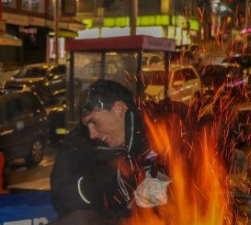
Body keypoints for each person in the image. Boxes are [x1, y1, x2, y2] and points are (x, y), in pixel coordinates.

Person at [50, 79, 168, 216]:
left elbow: (182, 186)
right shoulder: (79, 145)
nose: (92, 134)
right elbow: (63, 200)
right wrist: (107, 174)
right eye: (86, 125)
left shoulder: (159, 132)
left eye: (95, 122)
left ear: (119, 108)